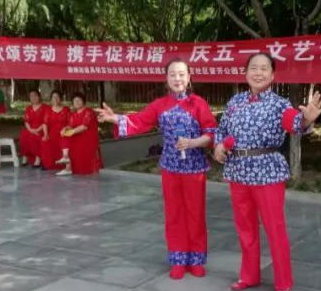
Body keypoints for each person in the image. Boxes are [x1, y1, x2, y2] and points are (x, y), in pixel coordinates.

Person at [212, 51, 321, 291]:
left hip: (267, 172)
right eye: (253, 68)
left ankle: (283, 281)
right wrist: (219, 145)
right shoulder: (235, 102)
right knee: (245, 227)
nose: (258, 73)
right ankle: (249, 275)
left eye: (264, 68)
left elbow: (294, 123)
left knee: (274, 228)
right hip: (238, 171)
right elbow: (221, 130)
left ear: (273, 75)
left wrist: (305, 120)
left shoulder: (279, 104)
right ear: (245, 73)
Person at [97, 58, 217, 278]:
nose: (177, 79)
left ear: (189, 77)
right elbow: (139, 121)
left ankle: (196, 259)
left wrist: (193, 143)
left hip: (194, 168)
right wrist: (115, 119)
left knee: (195, 213)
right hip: (170, 168)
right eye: (173, 74)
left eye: (182, 74)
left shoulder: (199, 104)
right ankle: (178, 259)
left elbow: (211, 132)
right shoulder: (160, 105)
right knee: (174, 213)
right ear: (166, 78)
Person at [58, 92, 102, 176]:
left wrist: (71, 132)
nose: (77, 102)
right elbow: (70, 125)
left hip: (88, 137)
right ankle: (66, 162)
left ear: (83, 101)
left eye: (79, 100)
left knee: (68, 136)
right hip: (78, 135)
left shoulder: (88, 112)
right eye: (75, 101)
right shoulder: (74, 114)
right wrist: (64, 129)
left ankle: (68, 166)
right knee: (64, 135)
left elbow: (84, 127)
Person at [40, 90, 71, 172]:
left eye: (57, 97)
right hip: (52, 132)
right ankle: (47, 164)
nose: (55, 99)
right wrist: (46, 134)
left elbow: (71, 123)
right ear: (51, 99)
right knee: (45, 141)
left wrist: (66, 129)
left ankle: (64, 163)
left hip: (64, 132)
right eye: (54, 97)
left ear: (60, 99)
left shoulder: (66, 109)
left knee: (65, 141)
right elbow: (45, 124)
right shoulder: (48, 110)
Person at [19, 88, 48, 167]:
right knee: (24, 134)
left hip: (42, 128)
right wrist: (31, 130)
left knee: (35, 135)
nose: (33, 97)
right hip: (31, 128)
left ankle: (38, 158)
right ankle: (25, 156)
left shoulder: (45, 107)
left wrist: (37, 130)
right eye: (31, 96)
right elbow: (26, 121)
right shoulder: (28, 108)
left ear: (39, 96)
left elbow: (46, 121)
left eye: (35, 95)